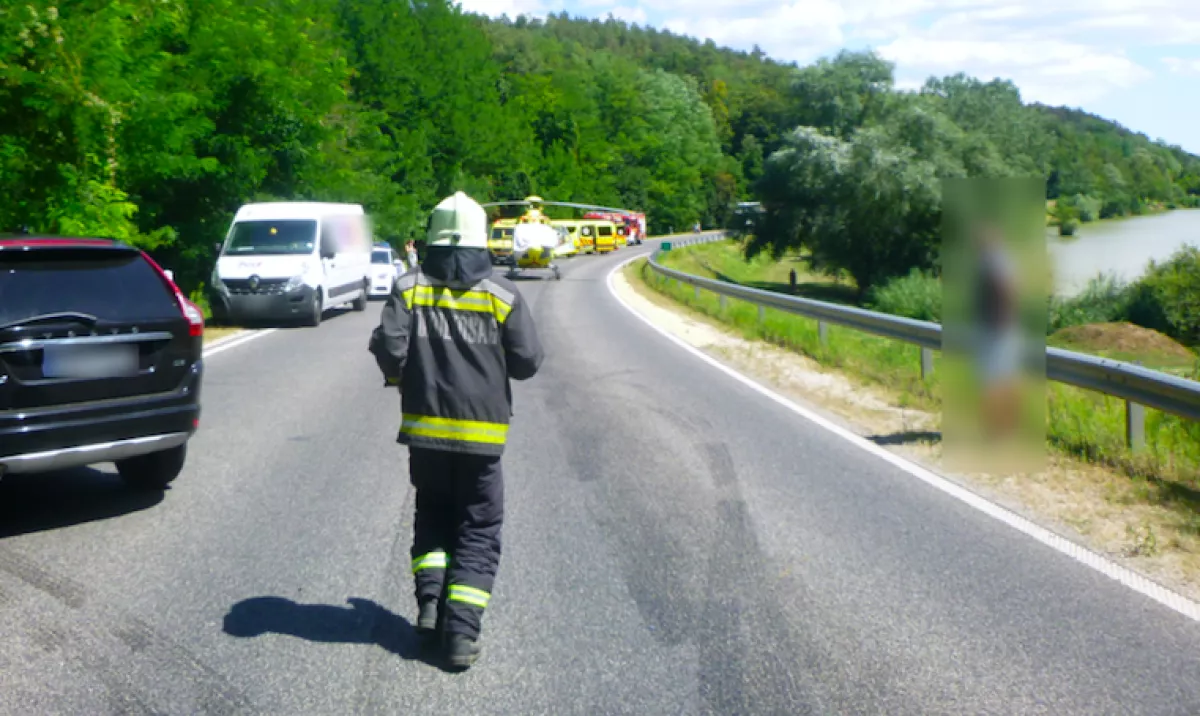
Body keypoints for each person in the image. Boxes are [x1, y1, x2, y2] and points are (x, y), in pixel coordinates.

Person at [368, 191, 544, 670]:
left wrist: (401, 376)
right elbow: (527, 363)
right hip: (483, 438)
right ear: (480, 239)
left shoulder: (408, 289)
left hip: (424, 433)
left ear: (432, 237)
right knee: (479, 528)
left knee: (433, 514)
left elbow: (390, 351)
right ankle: (461, 637)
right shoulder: (502, 294)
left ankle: (430, 607)